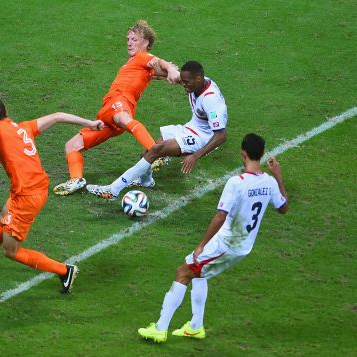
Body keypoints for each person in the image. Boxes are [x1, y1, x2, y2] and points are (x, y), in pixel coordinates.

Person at [137, 133, 288, 343]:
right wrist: (278, 175)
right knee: (200, 274)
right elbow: (283, 208)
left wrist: (201, 246)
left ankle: (160, 329)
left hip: (226, 244)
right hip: (243, 245)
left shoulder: (237, 182)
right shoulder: (270, 182)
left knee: (182, 273)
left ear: (243, 154)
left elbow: (220, 216)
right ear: (261, 154)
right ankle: (195, 327)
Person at [0, 96, 104, 293]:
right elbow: (58, 116)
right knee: (5, 213)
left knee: (11, 251)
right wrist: (89, 123)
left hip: (27, 195)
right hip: (33, 186)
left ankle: (64, 271)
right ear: (7, 110)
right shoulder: (24, 127)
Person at [52, 19, 181, 196]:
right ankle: (76, 179)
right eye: (128, 39)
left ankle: (155, 151)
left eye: (135, 39)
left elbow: (160, 63)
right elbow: (159, 70)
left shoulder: (142, 57)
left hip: (119, 103)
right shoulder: (136, 63)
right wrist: (175, 74)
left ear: (146, 43)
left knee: (123, 118)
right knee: (72, 146)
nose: (129, 42)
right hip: (107, 115)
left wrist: (171, 70)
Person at [86, 60, 228, 200]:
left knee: (156, 150)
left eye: (186, 82)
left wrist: (195, 156)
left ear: (198, 78)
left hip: (204, 137)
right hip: (192, 127)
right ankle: (146, 181)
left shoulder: (211, 100)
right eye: (183, 81)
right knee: (149, 151)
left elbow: (221, 135)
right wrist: (151, 73)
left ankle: (113, 190)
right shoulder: (196, 82)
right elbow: (173, 76)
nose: (183, 85)